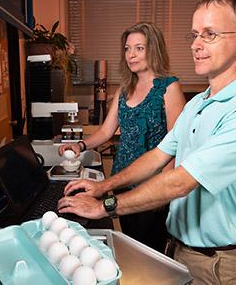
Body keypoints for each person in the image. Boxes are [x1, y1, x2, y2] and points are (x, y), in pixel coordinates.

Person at [58, 0, 236, 284]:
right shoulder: (198, 104)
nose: (196, 45)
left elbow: (180, 180)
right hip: (179, 248)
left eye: (210, 34)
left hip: (217, 262)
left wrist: (104, 206)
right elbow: (159, 154)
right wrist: (104, 186)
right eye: (195, 34)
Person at [58, 22, 186, 252]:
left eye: (139, 48)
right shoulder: (124, 89)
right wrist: (80, 144)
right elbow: (106, 131)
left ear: (153, 49)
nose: (131, 55)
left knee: (151, 251)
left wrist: (164, 190)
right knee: (132, 245)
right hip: (122, 181)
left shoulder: (169, 88)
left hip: (151, 185)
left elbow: (176, 145)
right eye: (127, 49)